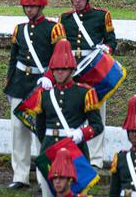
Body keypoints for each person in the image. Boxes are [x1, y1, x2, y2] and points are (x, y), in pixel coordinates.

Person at [6, 0, 64, 190]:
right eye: (26, 6)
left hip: (43, 85)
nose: (29, 10)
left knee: (42, 132)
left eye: (32, 6)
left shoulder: (53, 28)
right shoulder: (19, 29)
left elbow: (60, 57)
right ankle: (20, 175)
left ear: (40, 6)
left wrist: (49, 79)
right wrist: (10, 85)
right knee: (18, 131)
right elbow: (13, 59)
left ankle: (43, 177)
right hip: (20, 83)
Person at [59, 0, 116, 166]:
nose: (76, 0)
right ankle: (76, 154)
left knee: (97, 112)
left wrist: (106, 50)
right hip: (72, 68)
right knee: (74, 110)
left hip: (94, 67)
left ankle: (97, 158)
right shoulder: (65, 18)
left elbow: (111, 41)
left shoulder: (101, 16)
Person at [31, 39, 103, 197]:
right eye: (56, 69)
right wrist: (46, 144)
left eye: (63, 69)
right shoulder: (44, 95)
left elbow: (97, 125)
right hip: (49, 149)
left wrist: (81, 134)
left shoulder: (85, 93)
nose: (59, 72)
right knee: (48, 192)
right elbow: (40, 127)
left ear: (71, 70)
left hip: (75, 149)